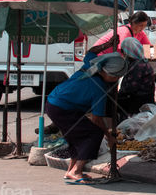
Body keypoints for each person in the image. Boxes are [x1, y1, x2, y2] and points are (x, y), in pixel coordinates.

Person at [45, 53, 129, 184]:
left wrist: (104, 45)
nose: (117, 79)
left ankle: (70, 171)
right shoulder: (99, 88)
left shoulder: (91, 65)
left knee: (75, 137)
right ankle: (76, 171)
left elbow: (90, 52)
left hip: (54, 103)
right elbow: (97, 119)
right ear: (109, 74)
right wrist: (108, 136)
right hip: (62, 108)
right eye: (117, 76)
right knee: (94, 133)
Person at [115, 37, 156, 118]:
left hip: (139, 102)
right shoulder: (141, 62)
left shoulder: (138, 66)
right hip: (143, 100)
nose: (122, 54)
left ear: (127, 51)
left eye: (123, 51)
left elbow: (130, 88)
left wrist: (118, 96)